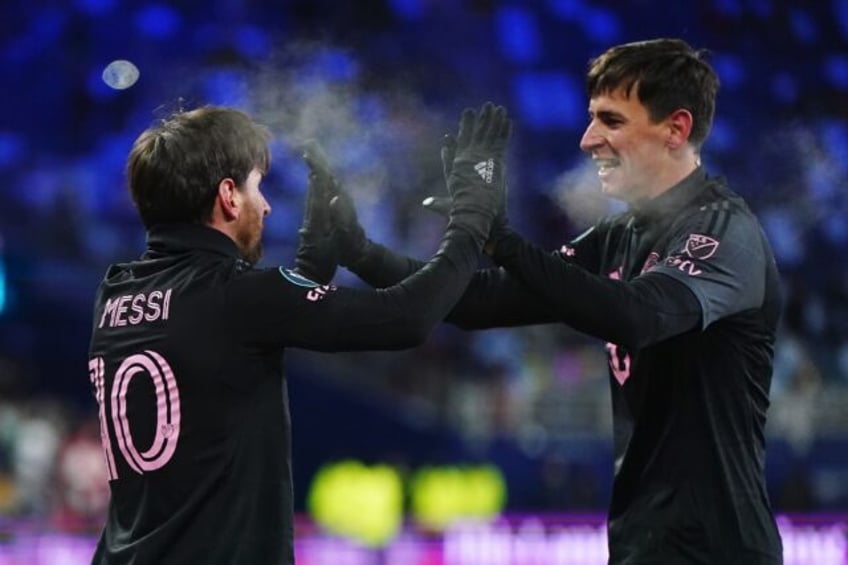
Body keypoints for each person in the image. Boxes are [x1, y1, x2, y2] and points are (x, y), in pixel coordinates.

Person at [311, 38, 784, 563]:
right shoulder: (618, 235)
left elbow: (638, 315)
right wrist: (361, 253)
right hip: (640, 547)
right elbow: (475, 301)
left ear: (676, 128)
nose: (588, 140)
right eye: (591, 119)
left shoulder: (725, 231)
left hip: (720, 552)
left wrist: (503, 240)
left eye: (611, 120)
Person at [86, 102, 511, 564]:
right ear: (228, 195)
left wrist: (314, 257)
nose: (266, 205)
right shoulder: (238, 296)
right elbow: (406, 318)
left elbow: (230, 337)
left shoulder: (115, 294)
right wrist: (472, 217)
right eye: (257, 185)